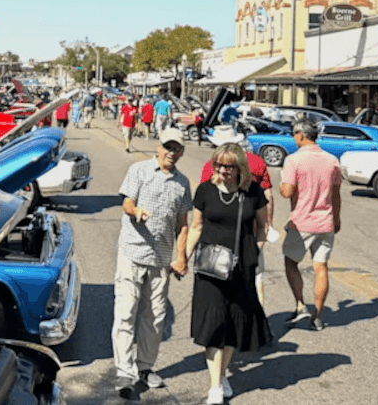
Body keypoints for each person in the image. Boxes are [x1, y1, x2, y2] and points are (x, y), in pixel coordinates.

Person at [184, 143, 272, 404]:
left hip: (241, 267)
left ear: (240, 168)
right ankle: (214, 387)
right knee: (213, 324)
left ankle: (222, 376)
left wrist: (253, 254)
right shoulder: (205, 191)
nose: (223, 171)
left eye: (229, 166)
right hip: (210, 268)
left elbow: (261, 228)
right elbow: (196, 227)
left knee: (233, 324)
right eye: (219, 165)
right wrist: (183, 258)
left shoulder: (253, 192)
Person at [111, 128, 192, 399]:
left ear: (181, 152)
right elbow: (126, 203)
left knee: (155, 317)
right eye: (167, 146)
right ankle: (124, 371)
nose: (171, 152)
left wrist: (181, 257)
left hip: (161, 259)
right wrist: (136, 211)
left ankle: (144, 368)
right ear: (159, 147)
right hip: (132, 253)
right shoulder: (139, 170)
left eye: (176, 148)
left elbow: (183, 225)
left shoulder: (183, 183)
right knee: (125, 312)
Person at [280, 119, 342, 331]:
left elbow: (287, 191)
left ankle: (300, 304)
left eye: (293, 134)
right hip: (325, 221)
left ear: (300, 135)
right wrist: (337, 218)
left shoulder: (294, 160)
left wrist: (282, 186)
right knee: (321, 267)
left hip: (302, 221)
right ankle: (318, 314)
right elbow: (336, 193)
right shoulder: (332, 160)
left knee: (290, 262)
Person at [201, 150, 276, 304]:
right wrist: (269, 223)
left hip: (220, 235)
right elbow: (268, 194)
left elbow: (206, 197)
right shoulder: (257, 161)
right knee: (256, 279)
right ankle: (258, 320)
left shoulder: (212, 164)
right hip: (250, 235)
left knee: (219, 284)